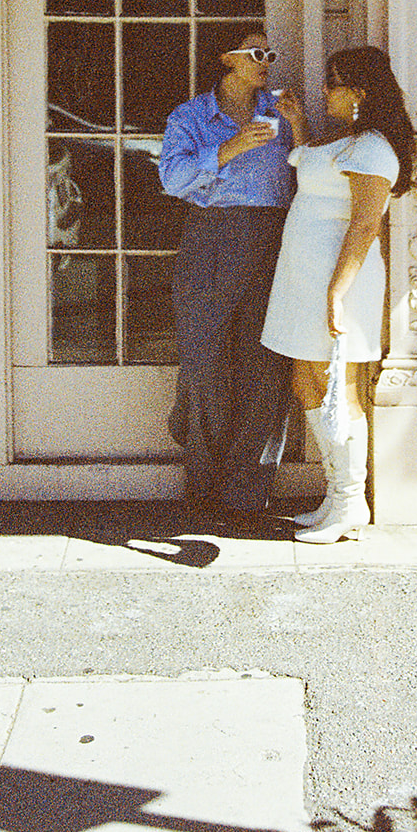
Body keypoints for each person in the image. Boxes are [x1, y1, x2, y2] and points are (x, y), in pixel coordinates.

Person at [261, 46, 416, 543]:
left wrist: (336, 293)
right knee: (307, 381)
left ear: (361, 91)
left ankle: (352, 503)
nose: (325, 89)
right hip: (304, 278)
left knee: (337, 386)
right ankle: (335, 495)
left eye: (333, 82)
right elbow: (317, 178)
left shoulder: (373, 148)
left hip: (336, 282)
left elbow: (366, 224)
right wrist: (299, 125)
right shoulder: (350, 141)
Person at [158, 27, 306, 521]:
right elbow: (173, 179)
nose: (267, 61)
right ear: (227, 58)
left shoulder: (281, 112)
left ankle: (247, 490)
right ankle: (203, 482)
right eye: (256, 52)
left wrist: (300, 127)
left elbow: (310, 174)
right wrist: (230, 148)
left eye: (270, 52)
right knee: (203, 364)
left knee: (265, 365)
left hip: (272, 238)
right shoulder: (193, 116)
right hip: (210, 236)